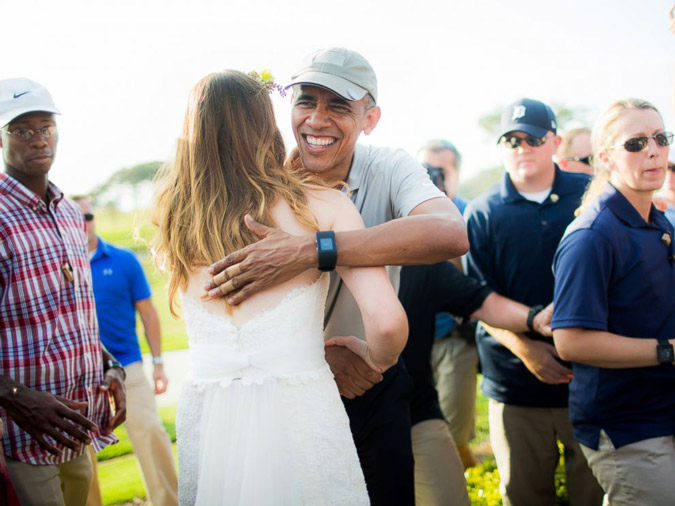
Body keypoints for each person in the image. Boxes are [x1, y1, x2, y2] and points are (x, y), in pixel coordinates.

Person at [204, 47, 468, 506]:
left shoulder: (389, 166)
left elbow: (449, 233)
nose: (316, 120)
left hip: (373, 376)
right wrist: (310, 360)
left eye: (338, 106)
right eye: (306, 101)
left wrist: (313, 250)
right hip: (288, 389)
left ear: (370, 117)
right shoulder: (261, 182)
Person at [153, 70, 408, 505]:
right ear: (265, 124)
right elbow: (386, 324)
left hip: (213, 421)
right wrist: (372, 360)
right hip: (301, 415)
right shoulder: (323, 205)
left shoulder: (172, 215)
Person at [464, 97, 603, 506]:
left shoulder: (590, 196)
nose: (522, 148)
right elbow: (476, 297)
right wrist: (526, 348)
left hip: (591, 382)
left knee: (593, 495)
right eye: (511, 140)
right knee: (524, 496)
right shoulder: (482, 212)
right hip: (515, 386)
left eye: (533, 139)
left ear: (554, 142)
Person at [0, 78, 125, 505]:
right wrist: (18, 399)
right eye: (22, 131)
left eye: (46, 128)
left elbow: (73, 313)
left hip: (77, 426)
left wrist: (111, 366)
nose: (38, 140)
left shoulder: (72, 214)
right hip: (19, 434)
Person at [552, 98, 675, 505]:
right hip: (626, 425)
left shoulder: (656, 220)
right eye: (636, 143)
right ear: (606, 157)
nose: (654, 149)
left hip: (663, 410)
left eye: (660, 137)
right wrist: (667, 351)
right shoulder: (592, 235)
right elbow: (570, 342)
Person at [399, 260, 553, 506]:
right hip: (347, 418)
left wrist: (534, 318)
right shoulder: (329, 258)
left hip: (415, 410)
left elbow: (482, 301)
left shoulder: (419, 263)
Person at [72, 196, 178, 506]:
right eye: (76, 217)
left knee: (151, 434)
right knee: (82, 457)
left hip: (128, 367)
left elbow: (149, 313)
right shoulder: (60, 263)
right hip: (79, 374)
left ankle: (169, 502)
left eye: (88, 215)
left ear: (95, 218)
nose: (83, 222)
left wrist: (158, 363)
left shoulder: (124, 260)